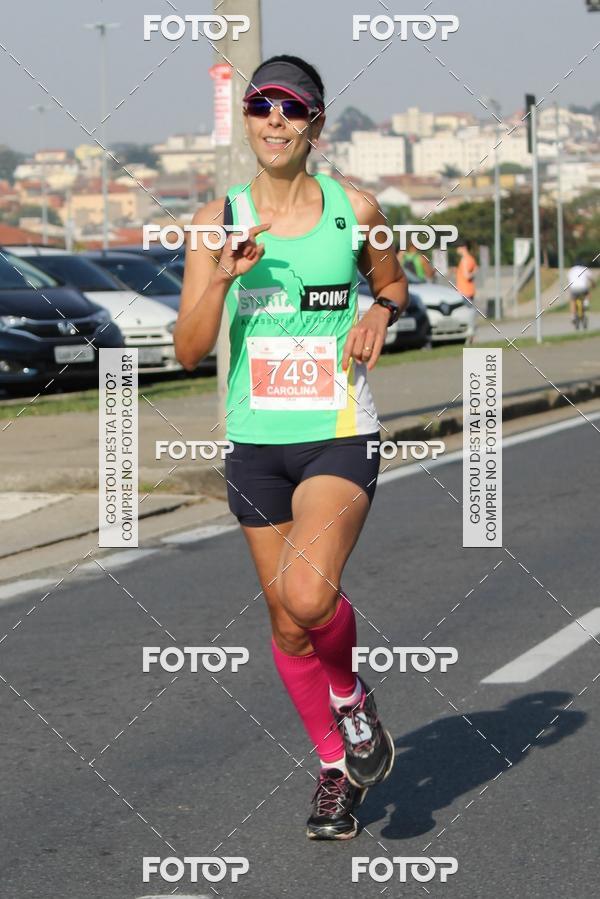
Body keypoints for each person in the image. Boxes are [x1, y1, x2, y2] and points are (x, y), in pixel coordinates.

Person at [174, 54, 408, 841]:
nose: (273, 120)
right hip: (255, 442)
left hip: (338, 430)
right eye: (259, 105)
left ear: (315, 123)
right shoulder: (216, 220)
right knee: (283, 624)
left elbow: (394, 281)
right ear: (246, 118)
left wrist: (381, 308)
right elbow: (185, 349)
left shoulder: (358, 206)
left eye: (291, 107)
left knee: (311, 598)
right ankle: (337, 767)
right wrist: (221, 277)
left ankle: (351, 698)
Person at [567, 259, 595, 324]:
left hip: (574, 288)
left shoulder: (571, 270)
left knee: (572, 301)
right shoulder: (585, 269)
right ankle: (586, 303)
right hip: (583, 288)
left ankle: (573, 316)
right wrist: (593, 285)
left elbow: (569, 280)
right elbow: (591, 279)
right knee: (588, 293)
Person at [455, 238, 478, 307]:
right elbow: (475, 269)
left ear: (464, 247)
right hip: (468, 292)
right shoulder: (470, 258)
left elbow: (467, 276)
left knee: (465, 314)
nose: (456, 249)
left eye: (458, 247)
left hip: (465, 292)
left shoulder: (465, 260)